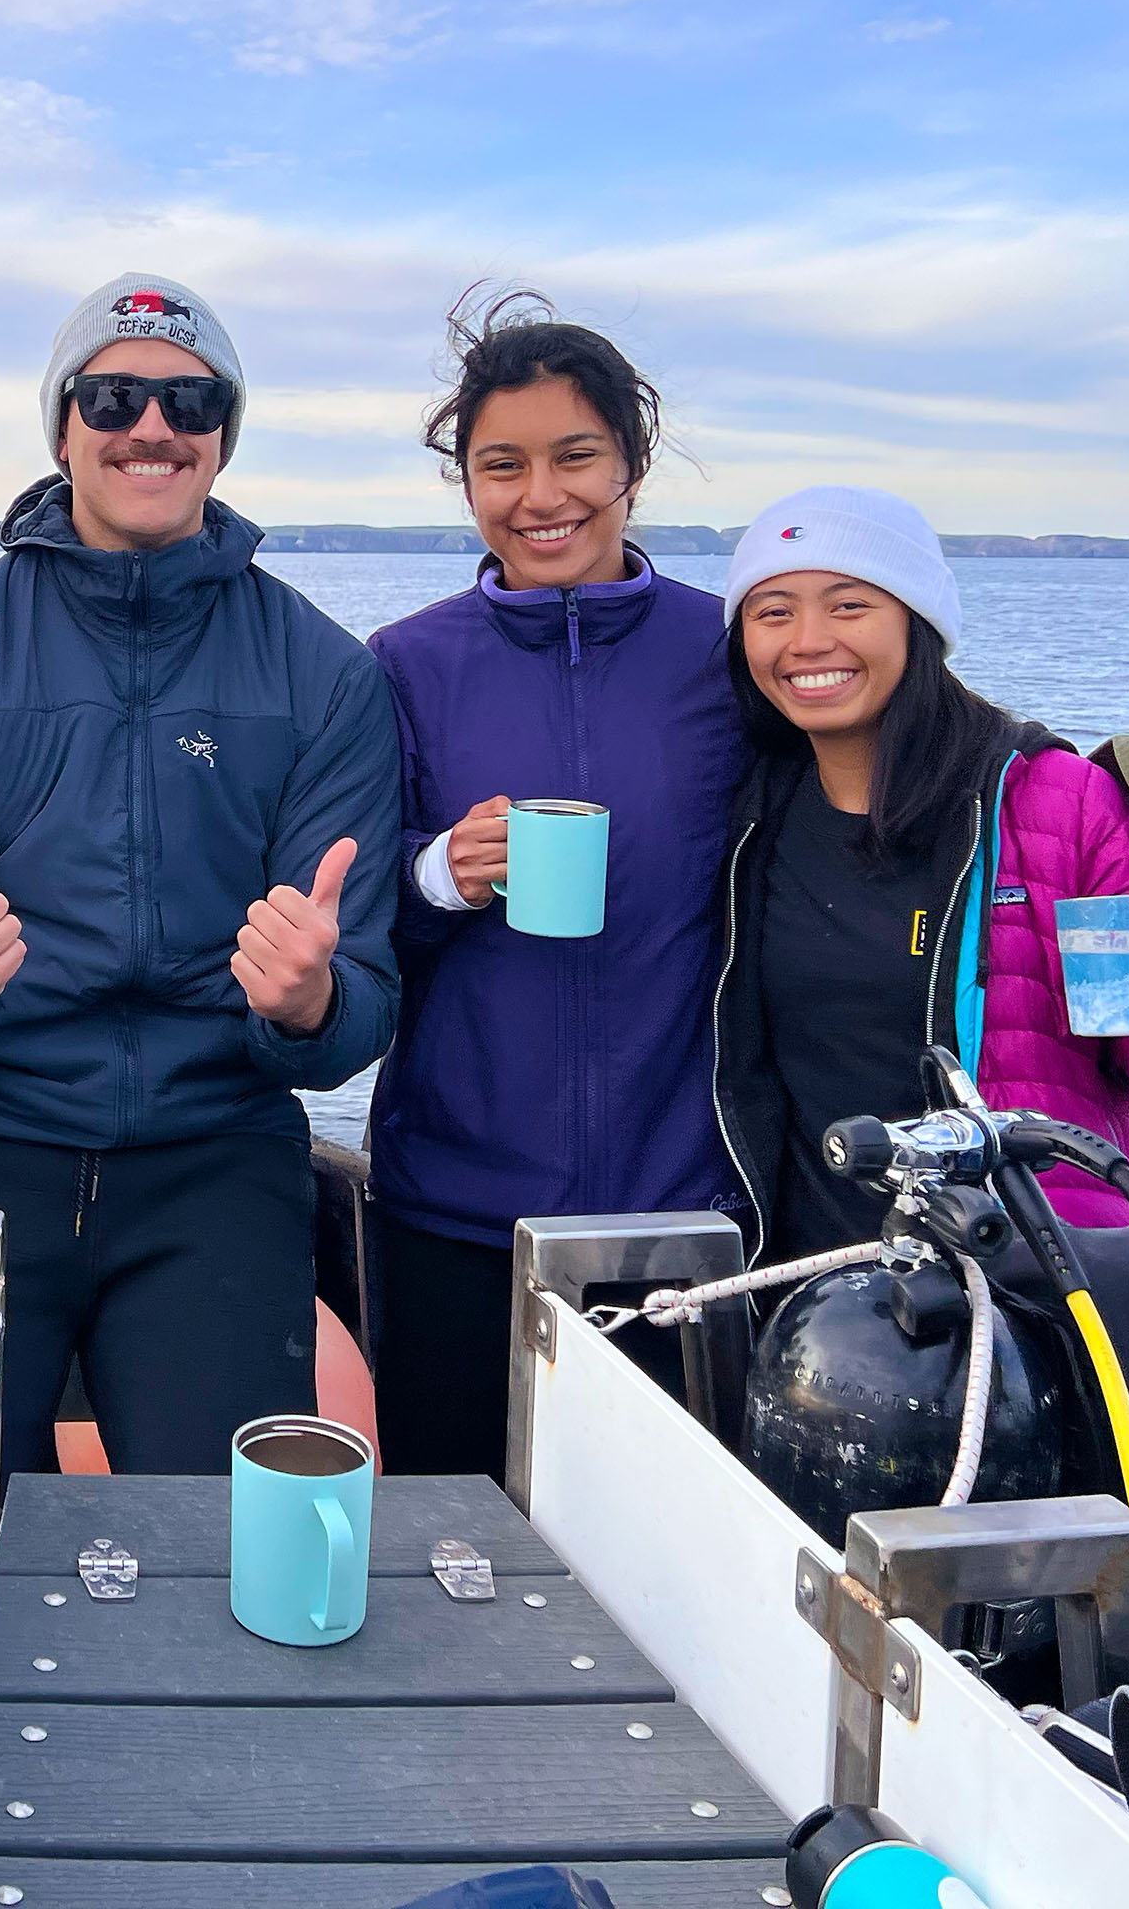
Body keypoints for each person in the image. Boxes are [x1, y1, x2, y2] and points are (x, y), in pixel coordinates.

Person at [0, 273, 402, 1478]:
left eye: (190, 403)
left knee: (219, 1549)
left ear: (224, 437)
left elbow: (359, 1005)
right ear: (63, 427)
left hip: (215, 1155)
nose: (153, 425)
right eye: (115, 395)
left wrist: (310, 1005)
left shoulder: (326, 675)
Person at [361, 292, 748, 1480]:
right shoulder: (406, 665)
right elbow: (347, 923)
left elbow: (908, 792)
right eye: (503, 465)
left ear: (632, 464)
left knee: (668, 1579)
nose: (543, 497)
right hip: (455, 1210)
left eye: (577, 456)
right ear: (466, 483)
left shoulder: (731, 651)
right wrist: (438, 875)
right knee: (454, 1563)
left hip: (684, 1212)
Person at [710, 485, 1129, 1257]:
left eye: (849, 607)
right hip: (808, 1281)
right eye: (771, 611)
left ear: (918, 623)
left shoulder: (1056, 801)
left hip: (1029, 1270)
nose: (808, 640)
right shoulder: (750, 811)